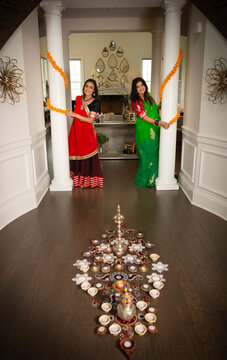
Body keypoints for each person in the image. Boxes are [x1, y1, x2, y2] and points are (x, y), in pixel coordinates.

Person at [130, 77, 170, 187]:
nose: (141, 88)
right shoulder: (135, 102)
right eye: (137, 87)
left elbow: (154, 109)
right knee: (146, 155)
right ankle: (144, 180)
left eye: (142, 85)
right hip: (144, 131)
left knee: (154, 153)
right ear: (135, 89)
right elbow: (144, 117)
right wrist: (160, 123)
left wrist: (162, 105)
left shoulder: (149, 96)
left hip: (154, 129)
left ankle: (153, 179)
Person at [66, 79, 103, 188]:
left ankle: (87, 182)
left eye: (91, 87)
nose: (88, 89)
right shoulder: (78, 99)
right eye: (86, 86)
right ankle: (78, 181)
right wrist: (70, 113)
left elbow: (90, 120)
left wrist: (75, 115)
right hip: (76, 131)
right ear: (83, 87)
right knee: (78, 154)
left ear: (94, 90)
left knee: (87, 156)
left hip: (87, 133)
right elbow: (76, 114)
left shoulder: (95, 102)